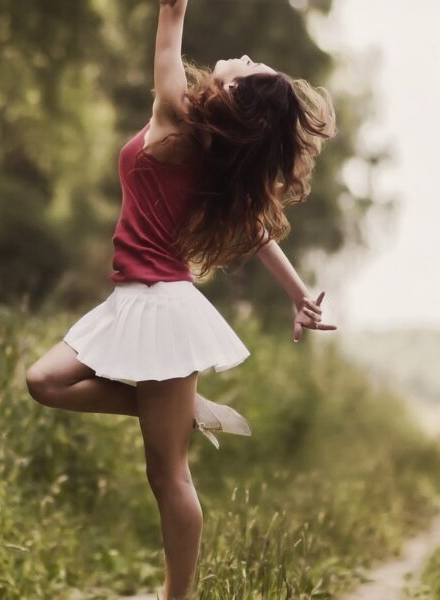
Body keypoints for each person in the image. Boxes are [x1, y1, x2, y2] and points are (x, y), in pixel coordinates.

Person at [25, 0, 337, 597]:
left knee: (167, 474)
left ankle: (178, 595)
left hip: (164, 305)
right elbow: (260, 233)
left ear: (234, 92)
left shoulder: (174, 109)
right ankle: (180, 406)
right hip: (129, 300)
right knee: (43, 381)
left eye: (247, 65)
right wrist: (298, 294)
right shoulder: (209, 144)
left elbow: (171, 18)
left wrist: (175, 11)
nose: (241, 56)